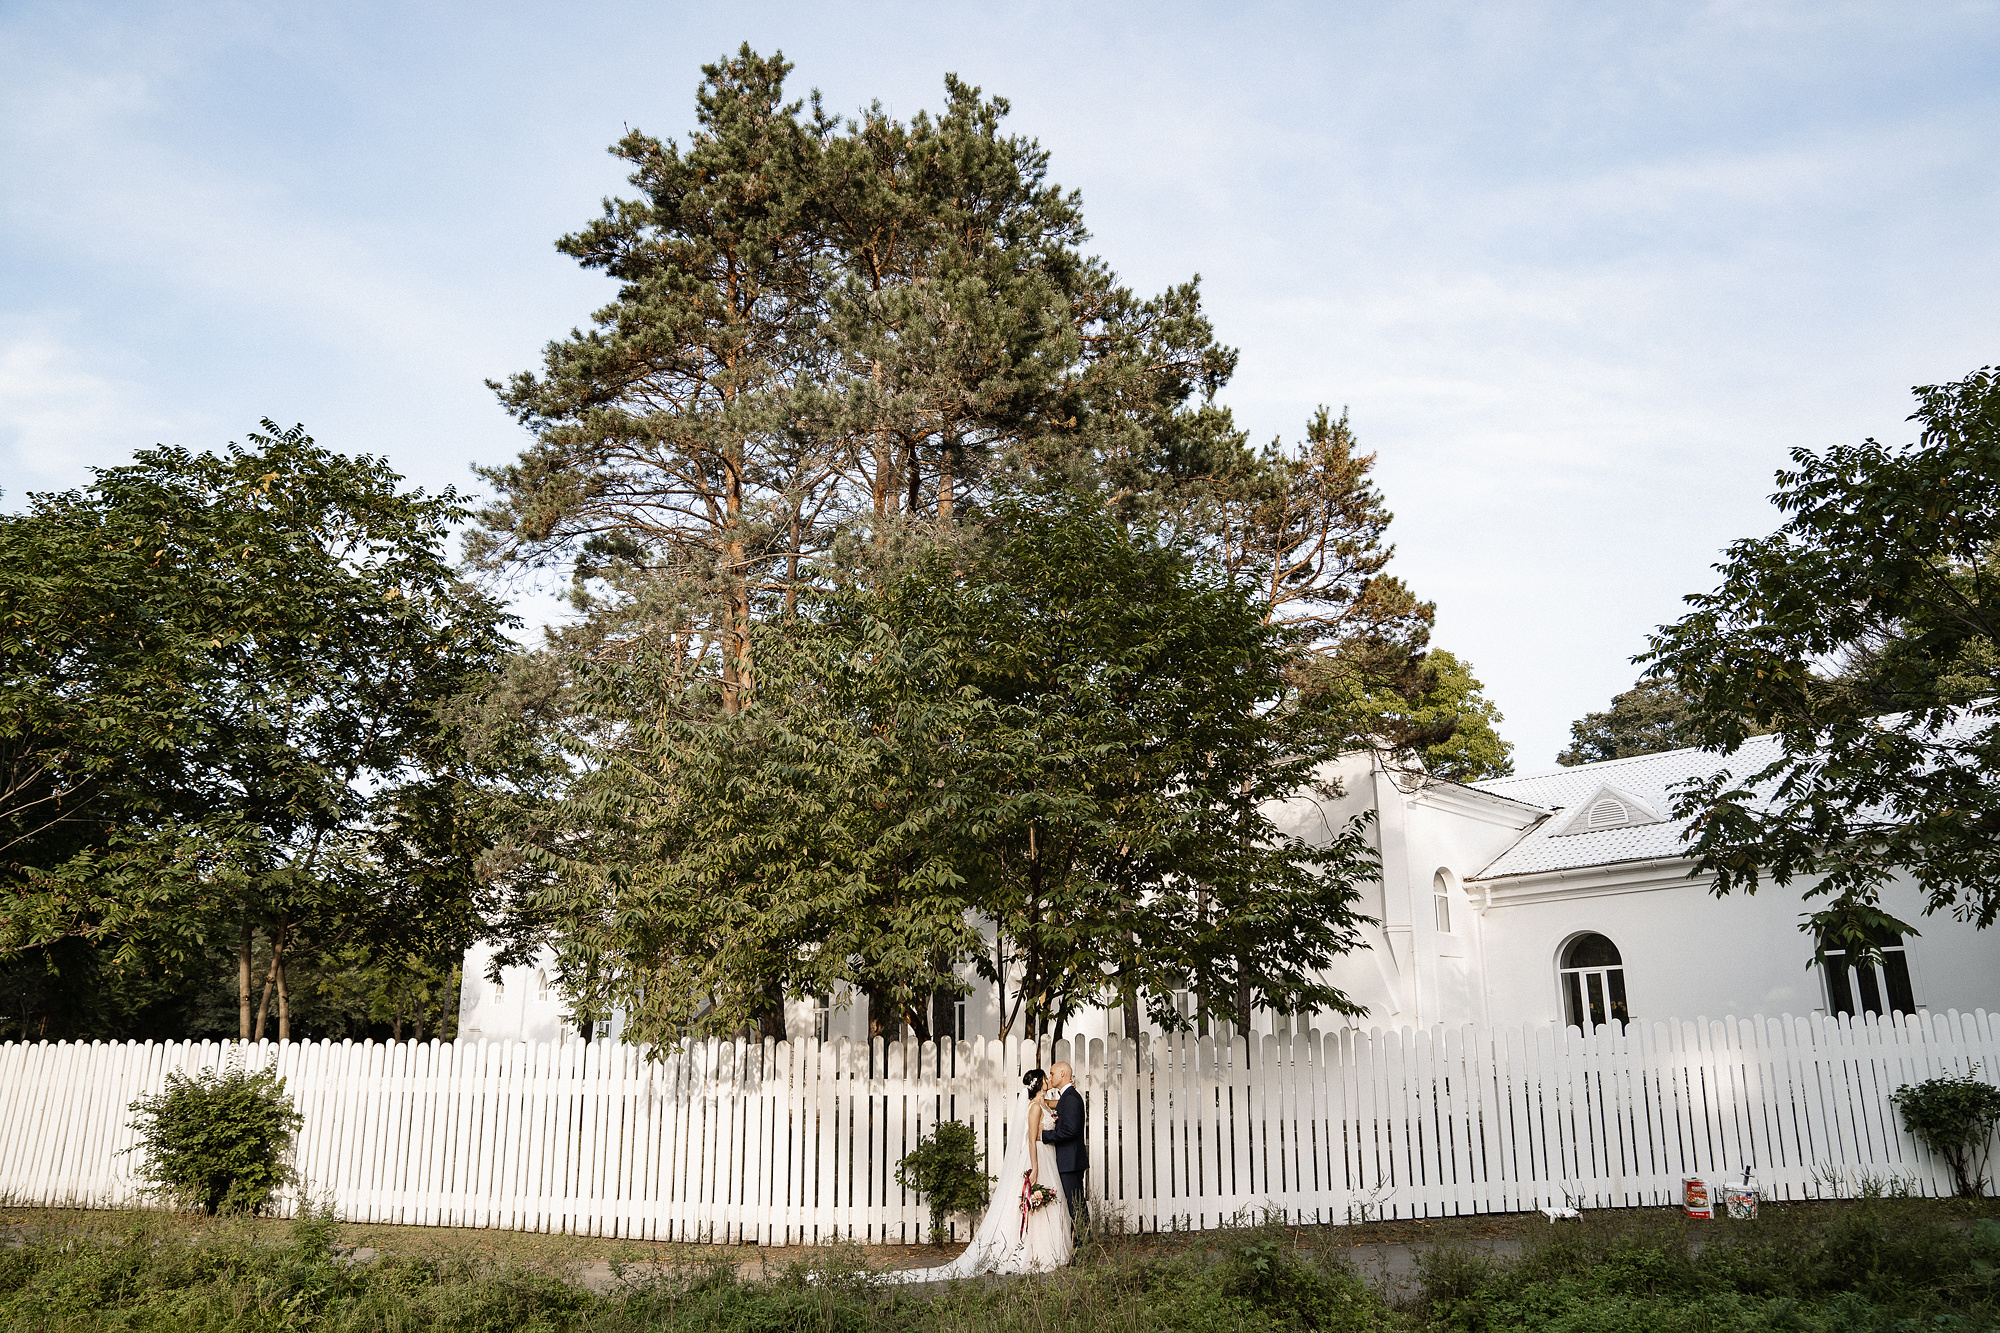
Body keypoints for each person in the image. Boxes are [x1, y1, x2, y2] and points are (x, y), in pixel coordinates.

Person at [883, 1067, 1072, 1280]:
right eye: (1045, 1078)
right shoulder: (1034, 1108)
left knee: (1049, 1204)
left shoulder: (1044, 1104)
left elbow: (1056, 1105)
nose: (1048, 1079)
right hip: (1038, 1156)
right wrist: (1035, 1167)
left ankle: (1048, 1250)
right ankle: (1031, 1253)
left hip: (1049, 1157)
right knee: (1033, 1204)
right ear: (1038, 1084)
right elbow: (1030, 1140)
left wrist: (1069, 1092)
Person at [1041, 1061, 1088, 1222]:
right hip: (1069, 1160)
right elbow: (1057, 1107)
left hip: (1071, 1161)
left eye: (1052, 1073)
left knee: (1076, 1204)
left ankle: (1084, 1243)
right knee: (1074, 1204)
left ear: (1062, 1074)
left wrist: (1045, 1136)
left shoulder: (1071, 1099)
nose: (1050, 1076)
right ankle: (1082, 1240)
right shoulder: (1067, 1097)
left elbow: (1070, 1130)